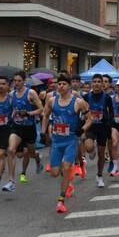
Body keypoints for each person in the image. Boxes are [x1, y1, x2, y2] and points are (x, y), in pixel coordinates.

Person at [41, 74, 92, 213]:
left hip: (70, 141)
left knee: (66, 167)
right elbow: (45, 116)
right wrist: (43, 132)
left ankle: (61, 200)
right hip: (56, 142)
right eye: (59, 84)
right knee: (55, 173)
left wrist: (82, 129)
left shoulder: (78, 102)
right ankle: (68, 182)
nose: (61, 86)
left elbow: (90, 119)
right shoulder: (52, 101)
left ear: (69, 86)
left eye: (64, 84)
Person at [11, 71, 44, 183]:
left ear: (24, 81)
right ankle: (21, 175)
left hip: (29, 128)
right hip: (17, 127)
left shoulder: (31, 93)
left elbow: (41, 109)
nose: (16, 83)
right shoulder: (12, 94)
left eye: (19, 81)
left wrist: (28, 113)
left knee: (30, 152)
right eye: (15, 81)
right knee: (19, 154)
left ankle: (36, 159)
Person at [83, 74, 114, 188]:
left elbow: (111, 112)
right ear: (92, 83)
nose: (96, 84)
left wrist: (109, 122)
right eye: (94, 81)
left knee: (101, 155)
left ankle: (99, 176)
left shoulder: (107, 97)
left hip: (102, 127)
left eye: (99, 82)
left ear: (102, 84)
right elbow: (82, 111)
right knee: (89, 147)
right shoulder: (86, 97)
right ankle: (92, 151)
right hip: (90, 126)